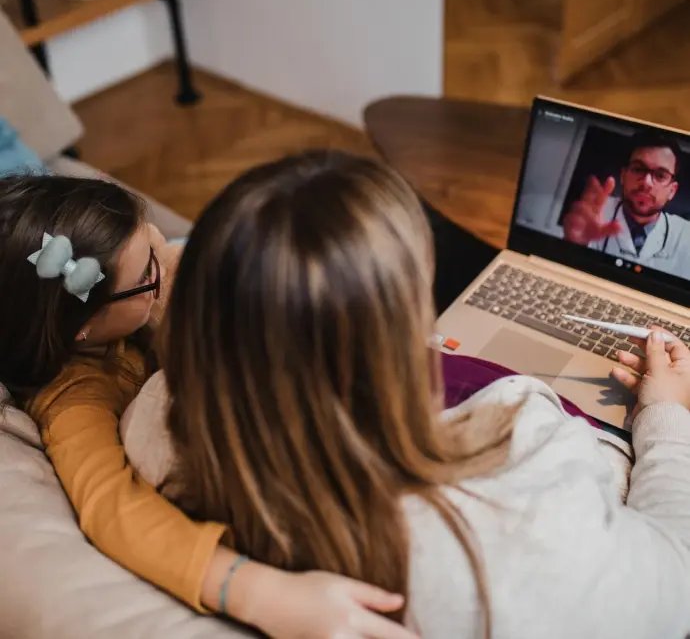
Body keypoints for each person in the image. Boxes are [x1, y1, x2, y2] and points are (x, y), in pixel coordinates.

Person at [119, 150, 690, 638]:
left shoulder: (153, 420)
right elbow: (676, 581)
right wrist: (666, 414)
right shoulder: (518, 497)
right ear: (400, 328)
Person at [0, 174, 419, 639]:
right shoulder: (74, 399)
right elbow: (112, 508)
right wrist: (256, 591)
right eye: (148, 272)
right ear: (82, 324)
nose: (170, 259)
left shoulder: (126, 310)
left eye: (157, 239)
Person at [562, 128, 690, 274]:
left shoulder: (686, 236)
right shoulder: (593, 213)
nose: (646, 183)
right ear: (623, 176)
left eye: (660, 175)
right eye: (638, 169)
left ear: (672, 190)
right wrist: (571, 247)